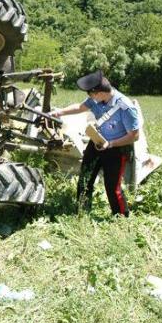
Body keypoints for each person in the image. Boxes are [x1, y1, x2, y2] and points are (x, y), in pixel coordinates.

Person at [50, 70, 140, 217]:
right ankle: (82, 212)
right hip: (96, 143)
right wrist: (60, 112)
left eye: (90, 95)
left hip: (116, 149)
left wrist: (110, 144)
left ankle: (122, 217)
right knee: (85, 178)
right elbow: (80, 107)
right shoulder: (96, 99)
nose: (89, 98)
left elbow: (134, 136)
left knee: (112, 187)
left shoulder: (126, 107)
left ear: (100, 93)